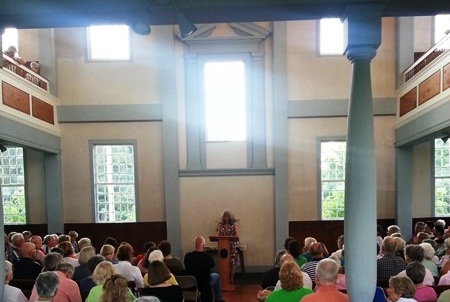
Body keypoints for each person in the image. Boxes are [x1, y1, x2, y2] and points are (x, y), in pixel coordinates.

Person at [184, 235, 225, 302]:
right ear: (204, 245)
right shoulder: (208, 257)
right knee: (216, 276)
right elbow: (212, 265)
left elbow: (186, 265)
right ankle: (218, 299)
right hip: (205, 283)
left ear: (194, 244)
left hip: (191, 282)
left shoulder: (187, 256)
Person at [217, 209, 240, 285]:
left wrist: (229, 237)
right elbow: (218, 236)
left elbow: (237, 235)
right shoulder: (220, 225)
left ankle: (231, 279)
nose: (226, 218)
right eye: (225, 217)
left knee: (232, 263)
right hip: (223, 247)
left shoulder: (234, 225)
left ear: (230, 217)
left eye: (227, 216)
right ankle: (224, 280)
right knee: (224, 263)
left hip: (232, 246)